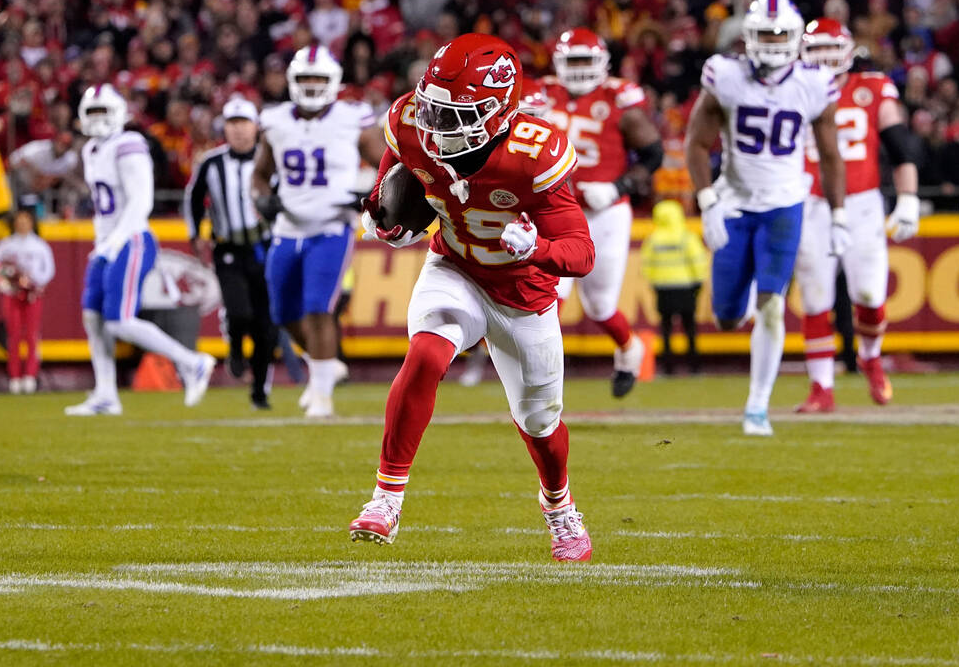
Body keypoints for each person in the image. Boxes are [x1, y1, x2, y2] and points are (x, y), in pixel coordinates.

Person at [348, 33, 595, 561]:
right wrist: (383, 218)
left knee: (540, 422)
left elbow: (581, 252)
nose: (436, 127)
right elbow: (388, 186)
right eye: (435, 110)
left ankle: (559, 505)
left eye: (455, 115)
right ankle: (385, 498)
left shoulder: (534, 153)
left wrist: (539, 248)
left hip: (522, 290)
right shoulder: (410, 124)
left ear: (499, 112)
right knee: (427, 352)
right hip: (454, 266)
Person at [685, 0, 847, 436]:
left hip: (785, 205)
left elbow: (831, 156)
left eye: (781, 34)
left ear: (796, 39)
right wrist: (707, 202)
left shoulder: (814, 83)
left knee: (772, 306)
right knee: (727, 316)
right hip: (735, 204)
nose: (773, 43)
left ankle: (757, 407)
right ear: (748, 37)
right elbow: (696, 144)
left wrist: (839, 216)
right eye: (765, 34)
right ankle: (745, 320)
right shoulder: (727, 75)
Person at [795, 18, 923, 412]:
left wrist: (909, 197)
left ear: (849, 53)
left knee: (868, 294)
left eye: (832, 51)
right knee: (815, 296)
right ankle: (822, 388)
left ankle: (870, 356)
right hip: (810, 201)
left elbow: (899, 145)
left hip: (862, 202)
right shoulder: (791, 90)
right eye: (817, 51)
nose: (826, 60)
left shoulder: (872, 88)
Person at [251, 45, 386, 417]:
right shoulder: (276, 120)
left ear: (334, 82)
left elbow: (388, 166)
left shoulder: (352, 117)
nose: (311, 85)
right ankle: (323, 364)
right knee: (282, 312)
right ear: (292, 82)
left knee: (317, 306)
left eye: (319, 79)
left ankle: (322, 395)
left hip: (332, 226)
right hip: (287, 226)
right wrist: (261, 199)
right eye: (305, 78)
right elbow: (260, 175)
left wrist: (369, 195)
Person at [66, 84, 216, 416]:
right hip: (106, 244)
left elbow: (141, 201)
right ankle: (106, 394)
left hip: (130, 240)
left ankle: (192, 362)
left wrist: (114, 243)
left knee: (119, 321)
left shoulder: (129, 143)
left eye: (103, 111)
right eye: (92, 112)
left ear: (118, 114)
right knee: (93, 318)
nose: (98, 119)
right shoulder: (91, 149)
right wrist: (101, 244)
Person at [539, 28, 663, 397]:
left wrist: (617, 187)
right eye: (571, 61)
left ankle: (628, 348)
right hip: (555, 211)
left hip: (605, 213)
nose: (578, 70)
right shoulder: (541, 95)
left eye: (584, 61)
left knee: (599, 305)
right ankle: (541, 383)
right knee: (549, 296)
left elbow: (653, 155)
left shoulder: (618, 99)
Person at [184, 96, 277, 410]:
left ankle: (260, 392)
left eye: (244, 123)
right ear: (224, 127)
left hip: (265, 247)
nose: (238, 131)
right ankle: (236, 346)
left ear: (256, 126)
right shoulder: (211, 162)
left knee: (266, 325)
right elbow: (193, 198)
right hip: (228, 248)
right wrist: (196, 233)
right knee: (239, 312)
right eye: (232, 124)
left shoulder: (270, 159)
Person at [640, 199, 708, 375]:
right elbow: (697, 260)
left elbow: (647, 265)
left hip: (663, 288)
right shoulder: (687, 237)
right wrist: (698, 281)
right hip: (687, 287)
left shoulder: (653, 240)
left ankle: (668, 367)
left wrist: (654, 282)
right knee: (690, 328)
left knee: (666, 329)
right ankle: (695, 366)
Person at [0, 208, 55, 394]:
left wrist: (34, 283)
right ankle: (14, 376)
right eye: (19, 221)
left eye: (25, 221)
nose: (22, 224)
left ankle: (30, 375)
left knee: (31, 335)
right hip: (12, 295)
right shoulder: (6, 245)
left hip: (32, 296)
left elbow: (49, 270)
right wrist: (5, 282)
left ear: (31, 223)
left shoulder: (40, 245)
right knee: (13, 336)